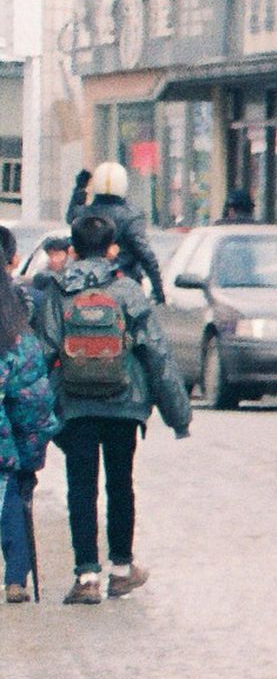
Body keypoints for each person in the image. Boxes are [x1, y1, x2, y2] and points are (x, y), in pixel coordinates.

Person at [31, 206, 191, 601]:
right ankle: (121, 569)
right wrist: (178, 415)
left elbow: (44, 350)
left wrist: (36, 413)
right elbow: (157, 354)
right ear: (113, 248)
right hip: (125, 404)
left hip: (75, 404)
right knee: (121, 484)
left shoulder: (57, 291)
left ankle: (86, 577)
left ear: (72, 248)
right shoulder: (128, 292)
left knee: (81, 487)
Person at [0, 236, 54, 601]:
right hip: (7, 440)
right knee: (13, 493)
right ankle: (16, 578)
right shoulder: (18, 328)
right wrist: (26, 455)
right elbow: (34, 398)